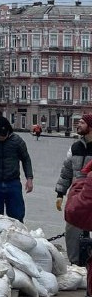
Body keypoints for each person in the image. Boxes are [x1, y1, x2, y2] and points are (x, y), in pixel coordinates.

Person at [56, 114, 92, 265]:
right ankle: (75, 263)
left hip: (91, 194)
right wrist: (60, 193)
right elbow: (66, 171)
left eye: (82, 122)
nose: (78, 124)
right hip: (77, 196)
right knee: (72, 229)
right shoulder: (75, 147)